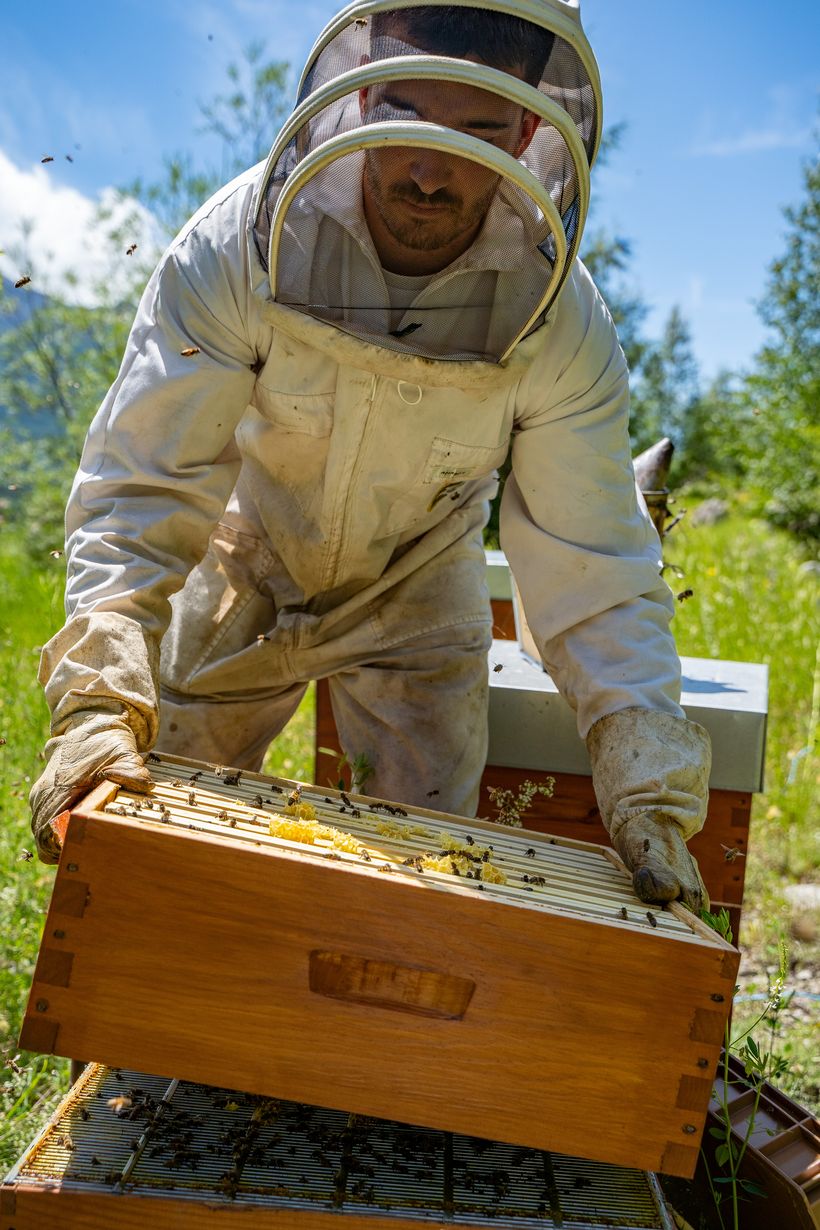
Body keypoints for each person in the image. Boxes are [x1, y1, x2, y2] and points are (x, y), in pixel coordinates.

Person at [30, 0, 710, 912]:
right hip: (249, 552)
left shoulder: (561, 324)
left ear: (530, 129)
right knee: (160, 842)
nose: (435, 170)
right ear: (357, 97)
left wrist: (646, 783)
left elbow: (592, 562)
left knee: (421, 888)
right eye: (407, 119)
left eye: (478, 129)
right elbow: (143, 481)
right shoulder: (240, 245)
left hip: (421, 579)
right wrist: (99, 702)